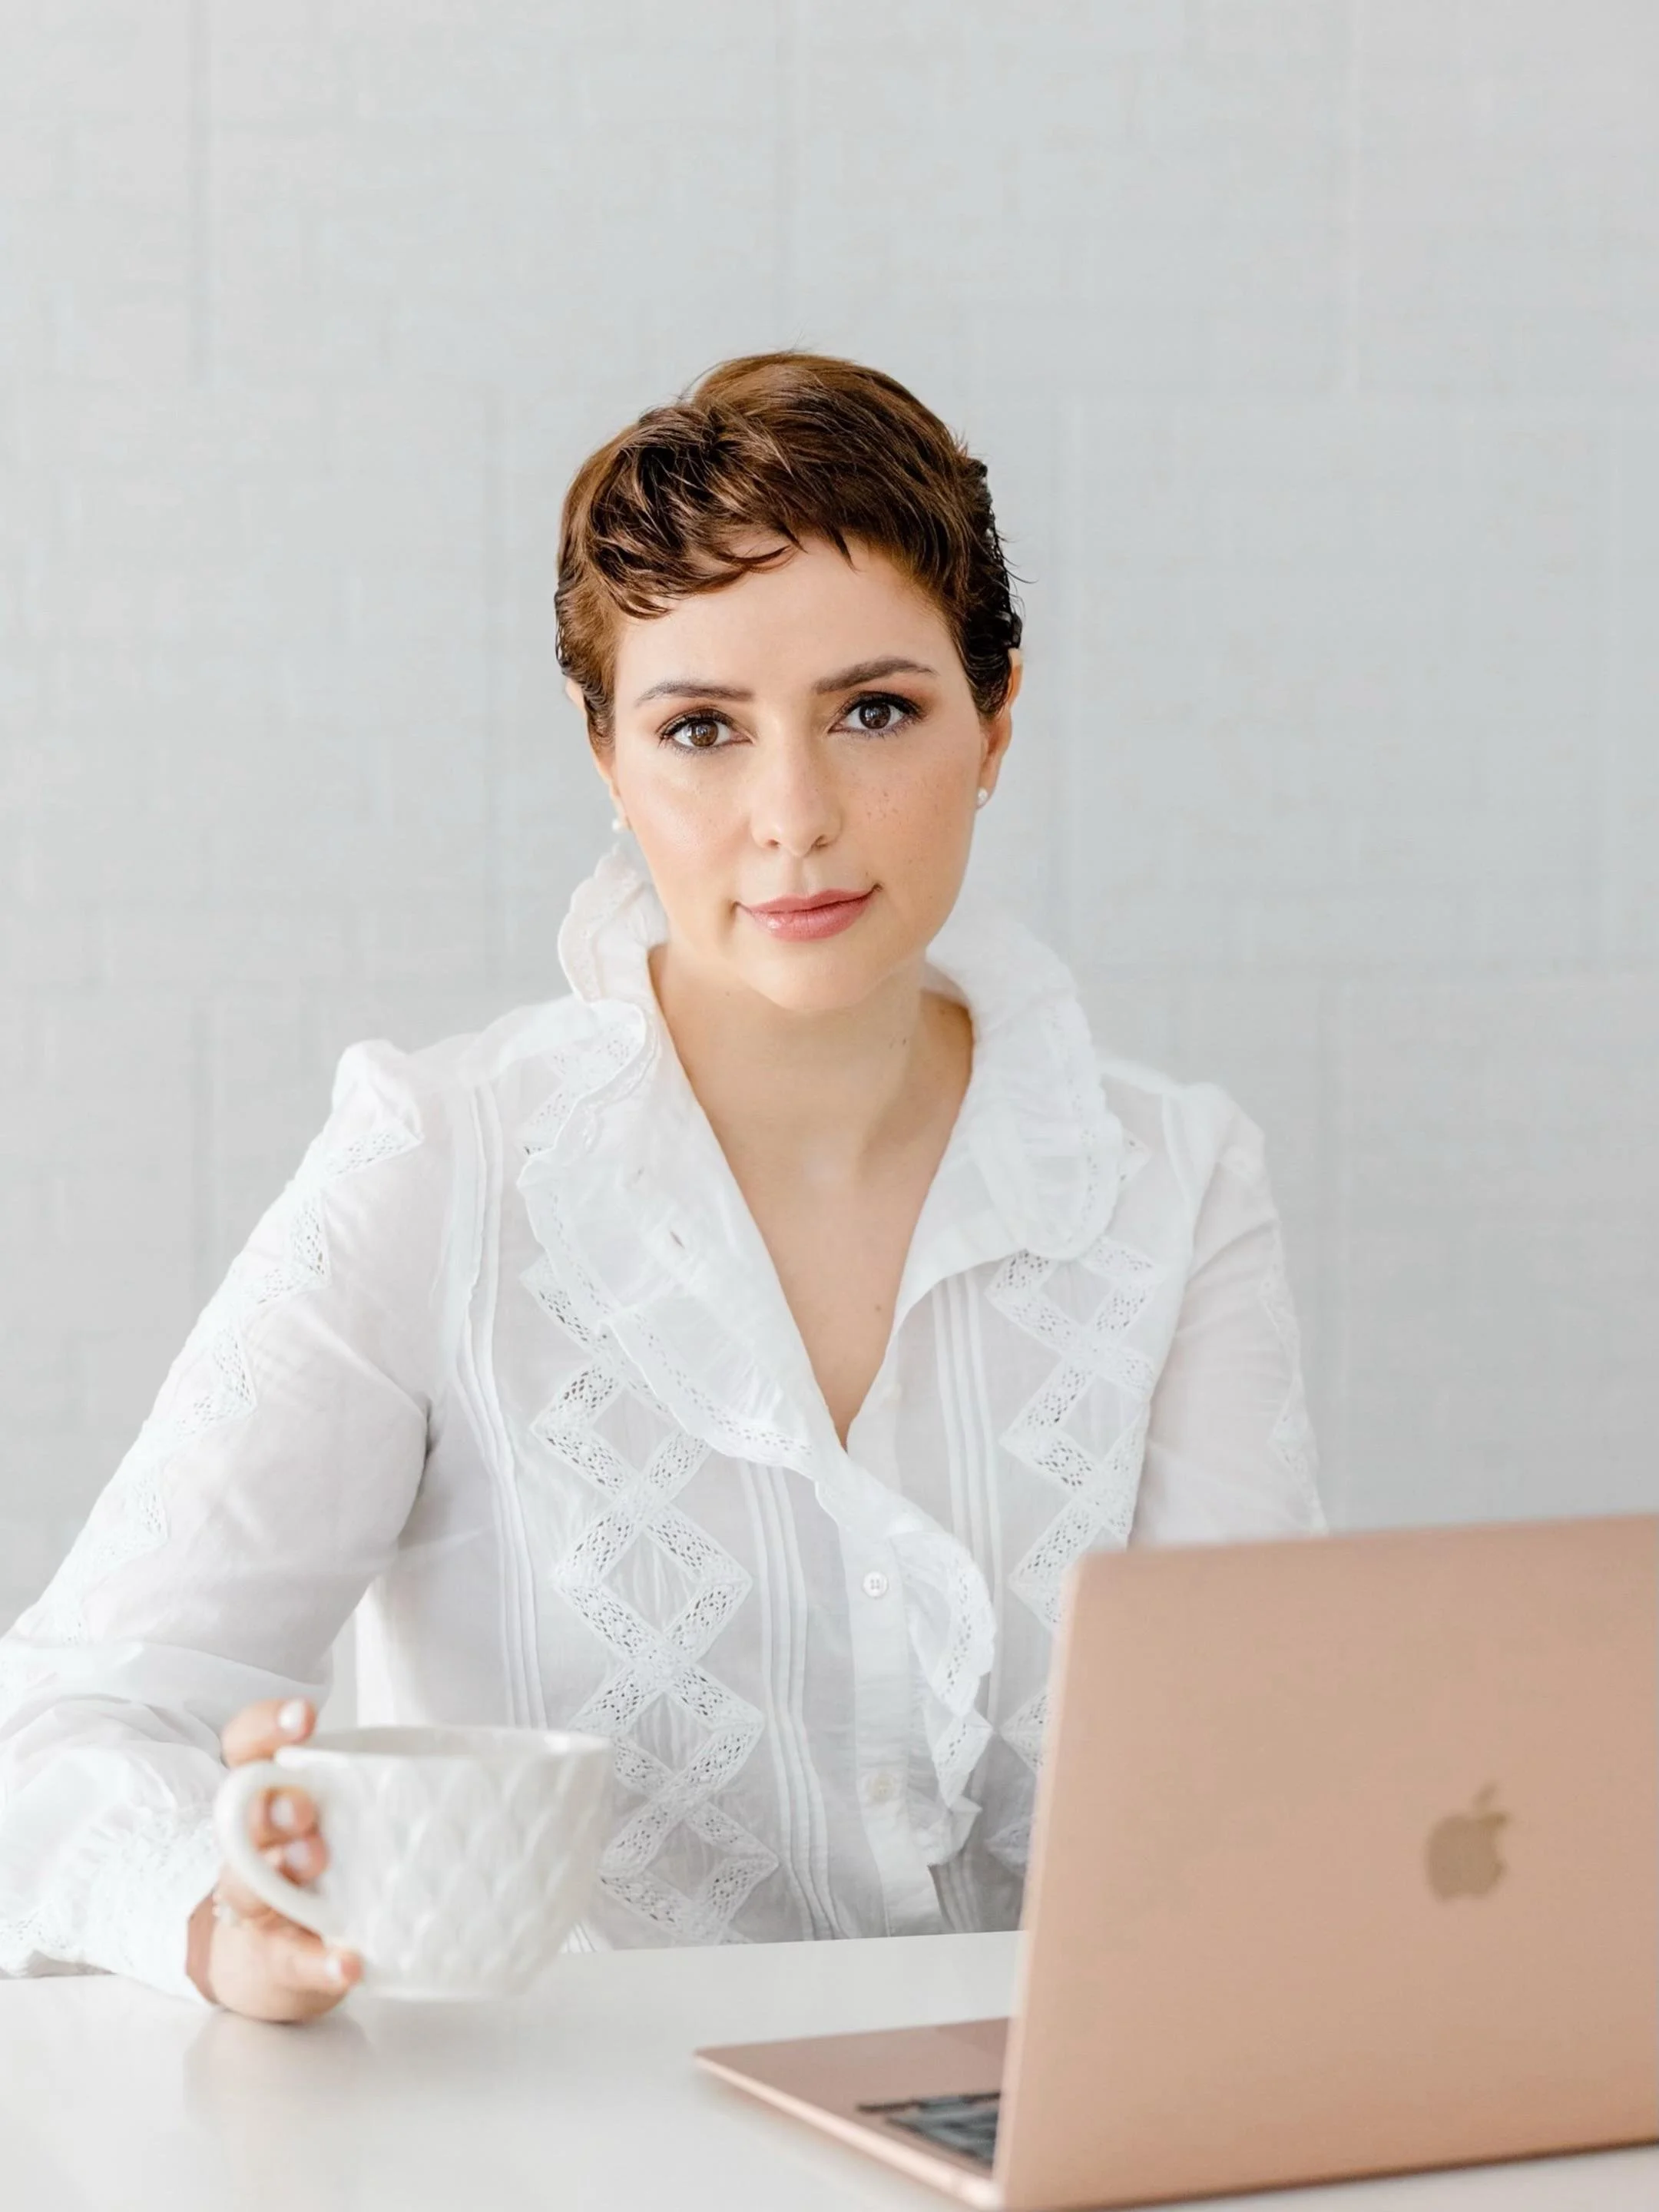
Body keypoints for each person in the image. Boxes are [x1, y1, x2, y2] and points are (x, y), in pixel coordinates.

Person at [0, 352, 1324, 2025]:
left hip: (1041, 2148)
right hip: (547, 2158)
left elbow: (1263, 1778)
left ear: (998, 717)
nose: (794, 817)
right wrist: (214, 1909)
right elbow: (61, 1730)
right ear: (608, 759)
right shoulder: (442, 1164)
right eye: (701, 729)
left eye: (876, 709)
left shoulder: (1176, 1184)